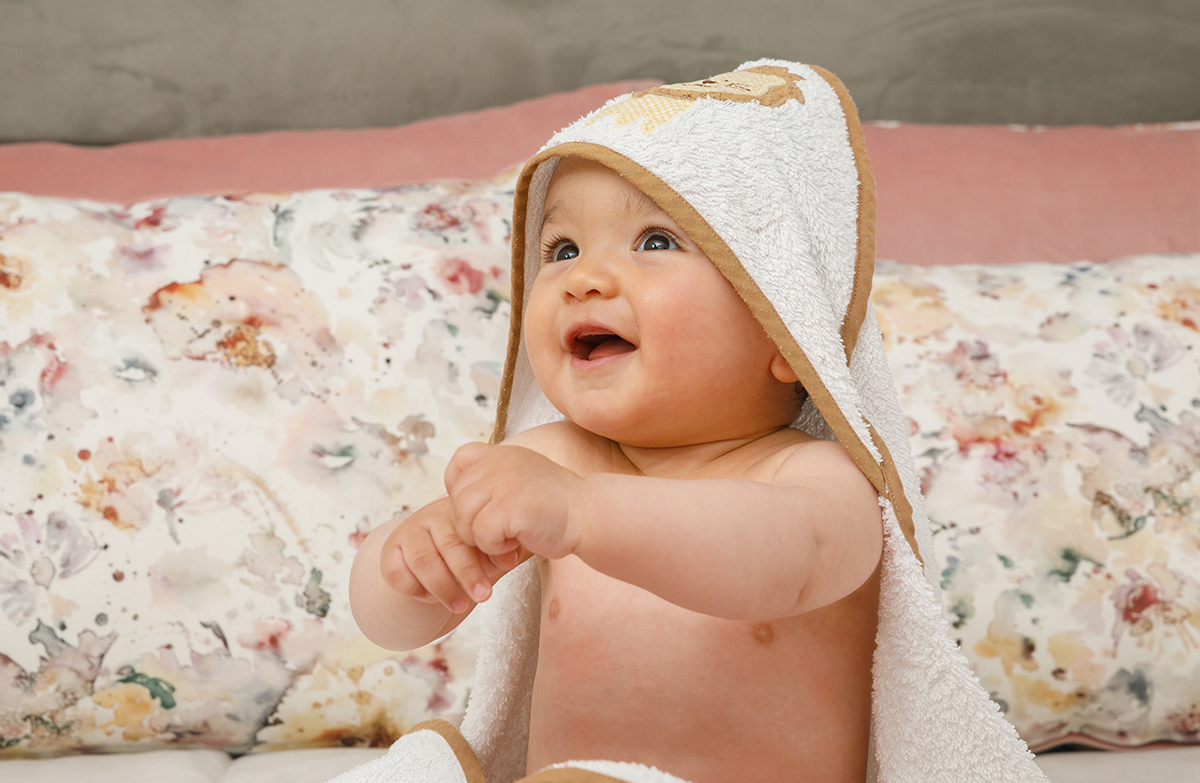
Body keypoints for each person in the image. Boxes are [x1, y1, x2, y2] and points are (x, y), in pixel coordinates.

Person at [341, 61, 1046, 783]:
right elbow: (384, 622)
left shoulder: (815, 483)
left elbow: (778, 563)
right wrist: (412, 562)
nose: (584, 277)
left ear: (784, 329)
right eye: (562, 249)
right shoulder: (553, 459)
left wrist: (583, 509)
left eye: (654, 241)